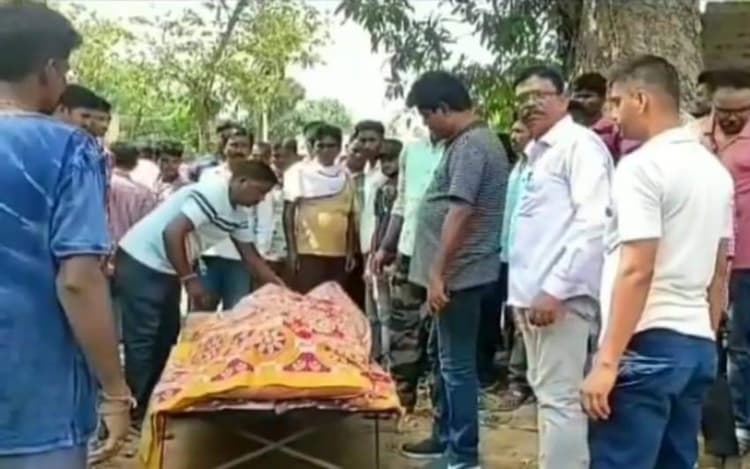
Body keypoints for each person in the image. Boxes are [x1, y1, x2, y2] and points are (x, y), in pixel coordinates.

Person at [582, 55, 734, 469]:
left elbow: (637, 267)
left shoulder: (642, 167)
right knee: (676, 460)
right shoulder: (715, 173)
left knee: (621, 460)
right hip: (696, 343)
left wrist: (607, 361)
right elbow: (719, 271)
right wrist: (707, 334)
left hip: (647, 339)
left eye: (616, 102)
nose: (612, 115)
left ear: (641, 99)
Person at [0, 5, 131, 468]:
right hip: (34, 391)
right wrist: (115, 390)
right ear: (49, 69)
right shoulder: (68, 148)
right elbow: (78, 280)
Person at [116, 159, 281, 425]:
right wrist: (189, 278)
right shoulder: (212, 193)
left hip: (166, 267)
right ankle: (135, 410)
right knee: (144, 339)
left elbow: (252, 259)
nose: (261, 199)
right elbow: (173, 233)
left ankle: (154, 403)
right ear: (241, 182)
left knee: (166, 336)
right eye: (259, 191)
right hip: (142, 262)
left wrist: (283, 291)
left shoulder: (238, 214)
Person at [400, 71, 508, 469]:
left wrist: (437, 274)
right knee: (444, 360)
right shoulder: (468, 142)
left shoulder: (473, 146)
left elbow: (460, 211)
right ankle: (446, 438)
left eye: (427, 116)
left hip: (459, 275)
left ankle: (462, 455)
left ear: (443, 109)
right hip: (456, 274)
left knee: (457, 366)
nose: (426, 125)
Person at [509, 65, 613, 469]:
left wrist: (554, 288)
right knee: (549, 395)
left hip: (561, 299)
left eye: (540, 96)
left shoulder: (579, 146)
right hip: (534, 299)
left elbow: (594, 223)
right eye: (522, 99)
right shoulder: (538, 154)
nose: (529, 105)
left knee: (560, 400)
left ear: (564, 98)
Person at [371, 131, 444, 417]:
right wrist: (386, 247)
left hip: (444, 256)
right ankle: (402, 396)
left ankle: (441, 406)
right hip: (408, 252)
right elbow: (402, 204)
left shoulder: (461, 150)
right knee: (403, 328)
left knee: (440, 334)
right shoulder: (411, 151)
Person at [697, 68, 750, 453]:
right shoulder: (695, 136)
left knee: (742, 346)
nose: (730, 118)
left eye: (741, 111)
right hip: (704, 254)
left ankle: (743, 424)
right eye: (723, 110)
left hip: (747, 258)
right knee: (708, 342)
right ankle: (718, 428)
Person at [283, 123, 358, 294]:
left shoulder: (346, 176)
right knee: (308, 301)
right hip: (307, 252)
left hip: (338, 255)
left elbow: (351, 216)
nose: (325, 150)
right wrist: (292, 251)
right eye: (321, 146)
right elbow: (288, 213)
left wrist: (349, 252)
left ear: (339, 148)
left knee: (333, 302)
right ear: (313, 147)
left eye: (331, 146)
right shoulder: (299, 173)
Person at [495, 119, 534, 411]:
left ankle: (519, 382)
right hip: (510, 254)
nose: (513, 136)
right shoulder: (518, 167)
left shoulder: (539, 166)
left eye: (519, 131)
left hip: (530, 258)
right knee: (513, 319)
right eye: (513, 130)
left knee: (524, 322)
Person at [199, 127, 260, 310]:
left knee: (236, 314)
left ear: (250, 149)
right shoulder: (209, 176)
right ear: (224, 147)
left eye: (243, 146)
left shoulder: (259, 177)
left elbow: (264, 221)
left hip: (241, 258)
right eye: (234, 145)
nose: (238, 150)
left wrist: (259, 258)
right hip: (209, 254)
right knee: (202, 313)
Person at [367, 138, 402, 365]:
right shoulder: (381, 189)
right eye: (383, 160)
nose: (387, 164)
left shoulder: (406, 189)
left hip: (398, 255)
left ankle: (395, 359)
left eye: (391, 159)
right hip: (381, 254)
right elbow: (378, 223)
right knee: (382, 310)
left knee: (397, 312)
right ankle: (383, 357)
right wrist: (372, 254)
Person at [355, 120, 387, 338]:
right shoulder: (365, 171)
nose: (367, 145)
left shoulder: (388, 170)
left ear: (382, 141)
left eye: (372, 140)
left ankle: (386, 353)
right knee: (371, 307)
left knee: (384, 306)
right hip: (366, 244)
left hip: (382, 245)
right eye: (362, 140)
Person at [570, 72, 640, 162]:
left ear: (603, 98)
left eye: (587, 96)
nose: (580, 101)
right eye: (577, 97)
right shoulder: (567, 129)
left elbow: (631, 157)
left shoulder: (615, 129)